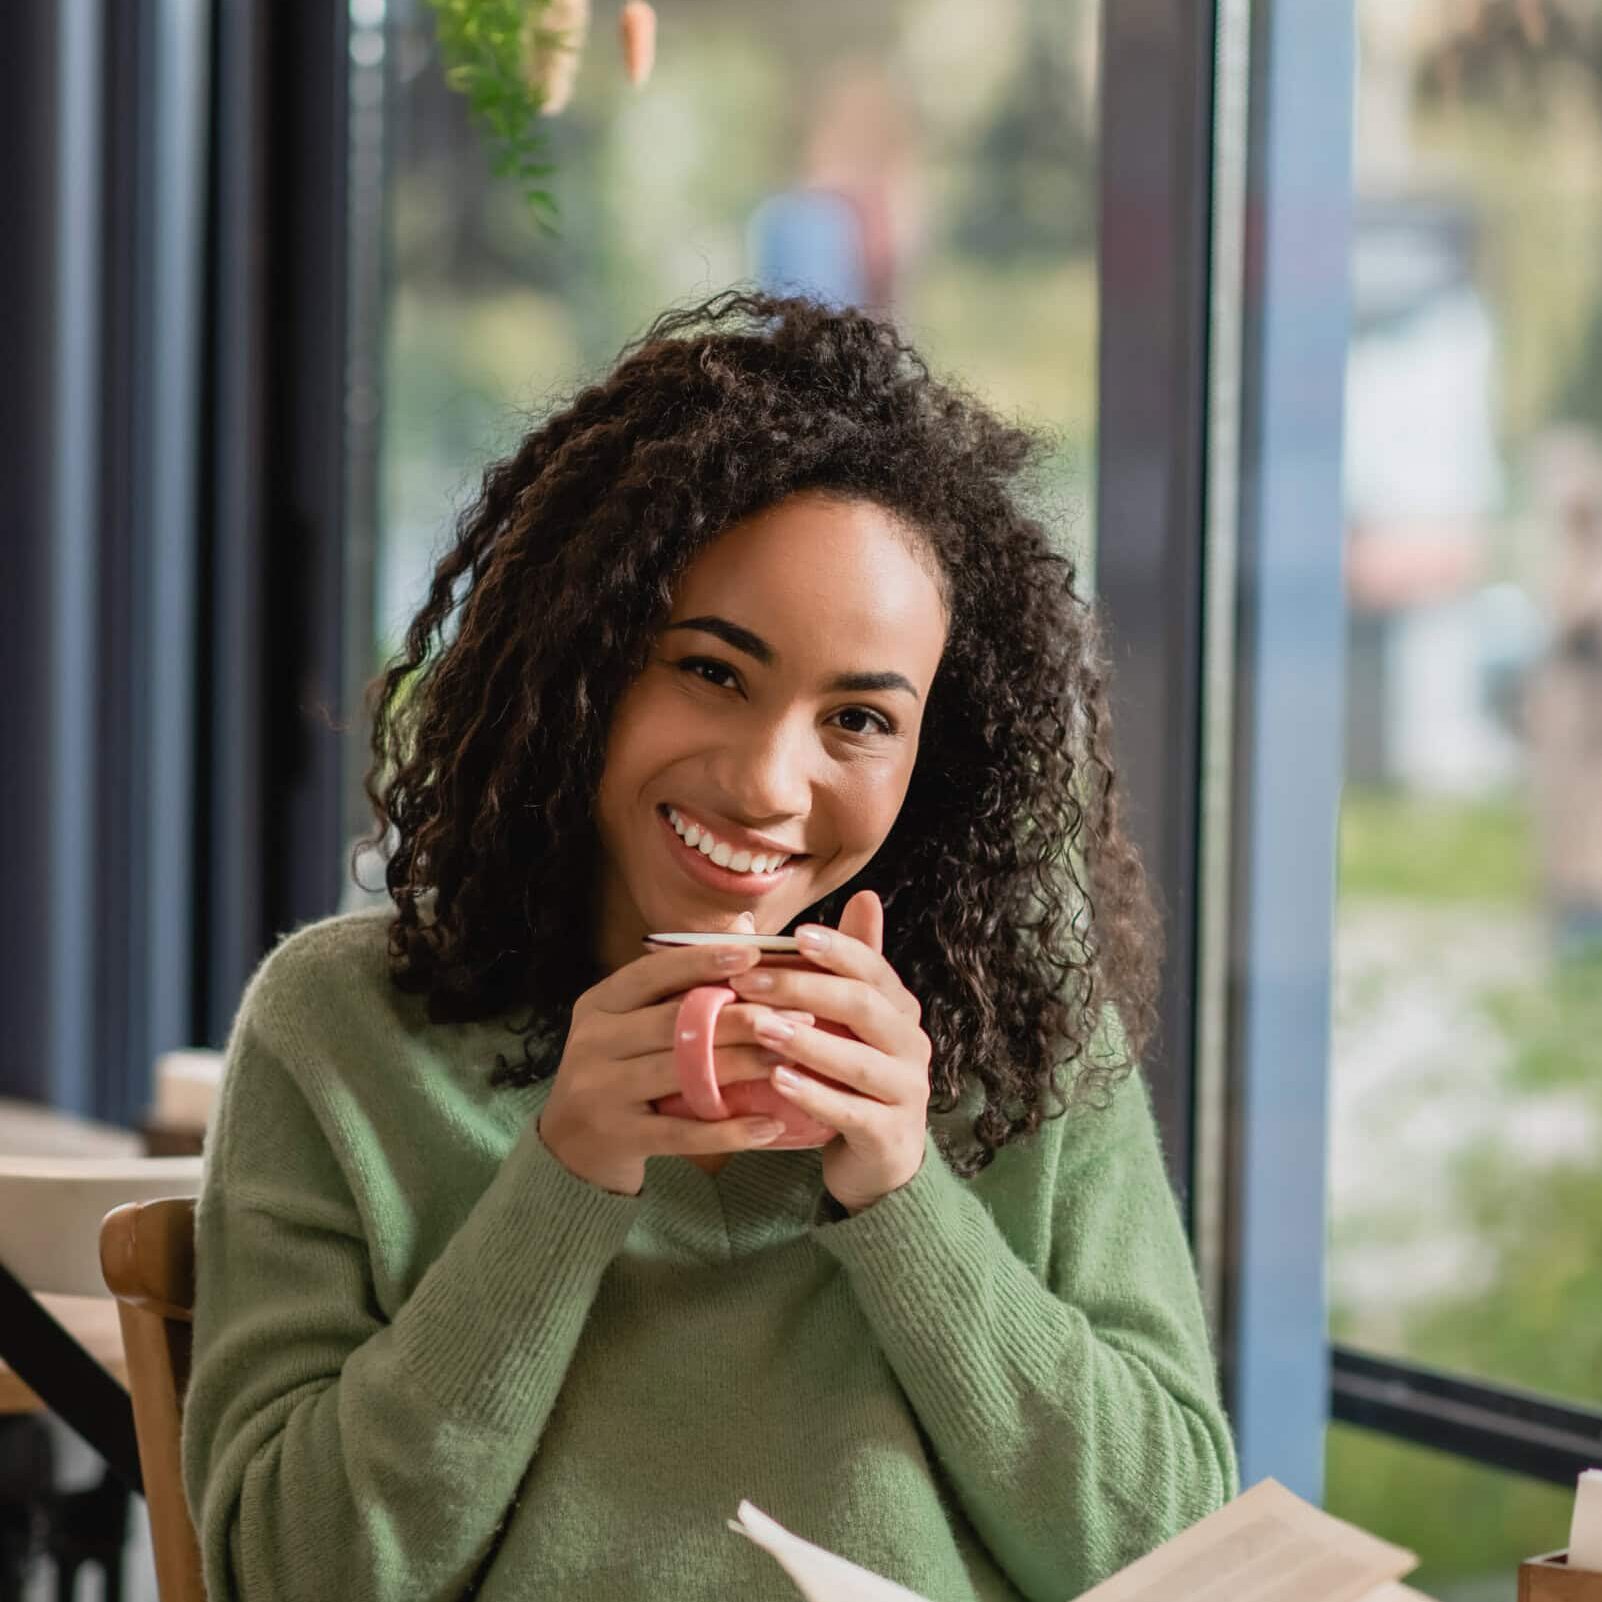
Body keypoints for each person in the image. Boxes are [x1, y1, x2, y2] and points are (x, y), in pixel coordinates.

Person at [180, 290, 1238, 1601]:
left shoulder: (1020, 1029)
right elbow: (287, 1574)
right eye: (711, 670)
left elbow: (1183, 1556)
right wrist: (566, 1174)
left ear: (931, 753)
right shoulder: (341, 1031)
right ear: (587, 656)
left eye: (856, 719)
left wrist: (902, 1192)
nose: (764, 783)